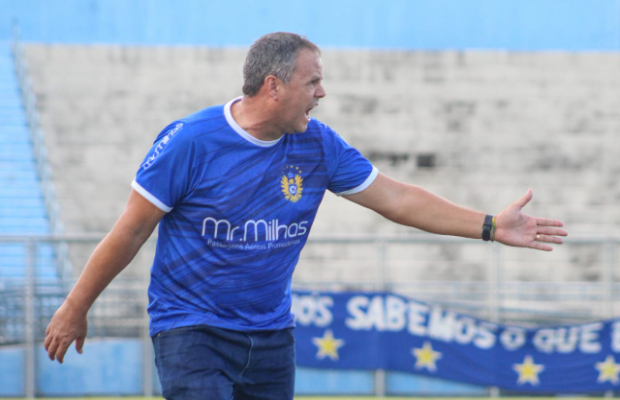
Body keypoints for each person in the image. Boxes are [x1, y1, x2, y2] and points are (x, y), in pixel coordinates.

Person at [44, 32, 567, 400]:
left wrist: (490, 226)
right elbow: (131, 230)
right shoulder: (191, 142)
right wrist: (75, 306)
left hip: (272, 334)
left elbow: (397, 198)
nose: (322, 93)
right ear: (274, 86)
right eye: (313, 81)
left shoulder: (318, 144)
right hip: (192, 328)